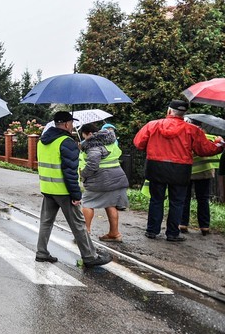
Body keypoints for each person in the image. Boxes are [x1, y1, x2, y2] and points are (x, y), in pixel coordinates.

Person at [133, 100, 223, 242]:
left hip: (156, 166)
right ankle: (173, 233)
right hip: (181, 169)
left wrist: (152, 148)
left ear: (169, 111)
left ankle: (152, 230)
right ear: (184, 113)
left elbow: (139, 143)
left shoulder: (152, 125)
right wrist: (219, 143)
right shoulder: (192, 130)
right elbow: (204, 150)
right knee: (177, 202)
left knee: (156, 200)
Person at [36, 111, 111, 267]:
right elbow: (69, 171)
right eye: (71, 123)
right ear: (66, 124)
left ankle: (41, 252)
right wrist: (76, 194)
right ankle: (90, 257)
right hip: (64, 191)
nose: (72, 126)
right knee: (78, 224)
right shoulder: (66, 142)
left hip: (47, 188)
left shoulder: (42, 141)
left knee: (46, 222)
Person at [78, 123, 129, 242]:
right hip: (117, 177)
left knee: (87, 203)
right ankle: (114, 233)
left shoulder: (93, 146)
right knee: (110, 204)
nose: (84, 138)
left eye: (84, 135)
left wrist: (83, 174)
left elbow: (93, 164)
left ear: (89, 134)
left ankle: (85, 233)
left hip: (101, 179)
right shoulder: (110, 142)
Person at [181, 120, 218, 236]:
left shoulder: (186, 136)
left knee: (184, 198)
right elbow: (214, 150)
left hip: (187, 171)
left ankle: (183, 224)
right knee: (203, 199)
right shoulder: (209, 137)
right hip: (204, 171)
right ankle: (205, 226)